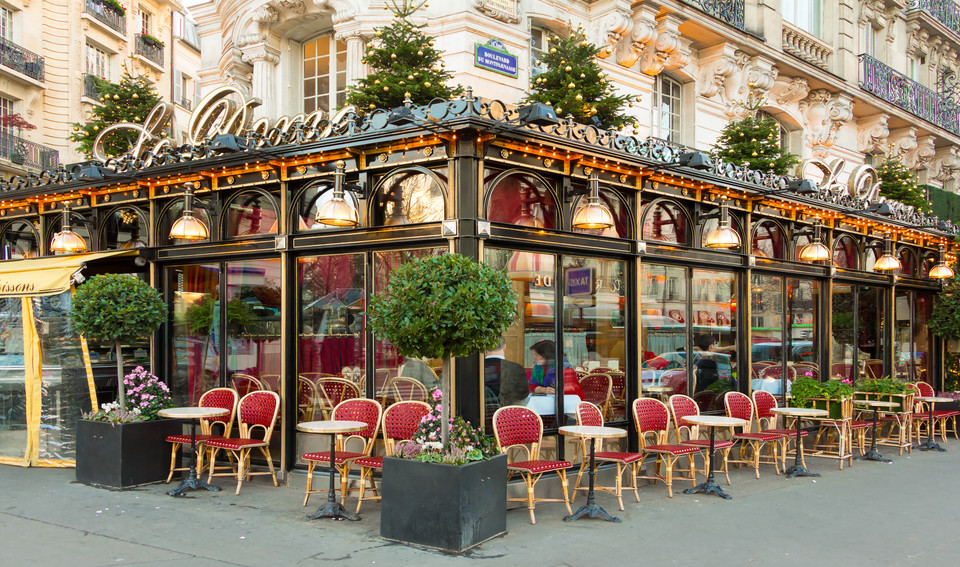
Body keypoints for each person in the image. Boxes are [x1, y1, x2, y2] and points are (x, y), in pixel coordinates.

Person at [485, 339, 529, 407]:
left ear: (485, 348)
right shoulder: (516, 368)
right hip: (508, 414)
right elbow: (523, 395)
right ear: (504, 347)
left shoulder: (476, 367)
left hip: (480, 413)